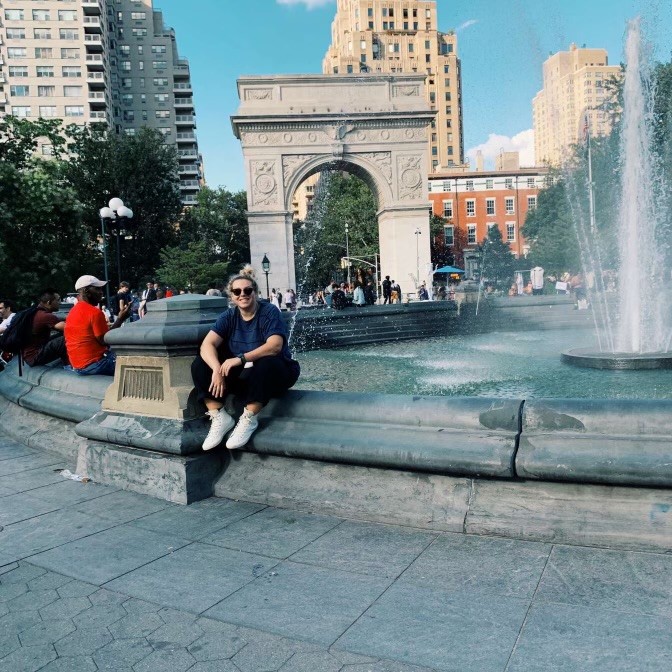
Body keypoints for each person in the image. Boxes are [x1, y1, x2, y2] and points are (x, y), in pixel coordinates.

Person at [191, 265, 300, 451]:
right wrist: (217, 369)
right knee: (200, 364)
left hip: (276, 373)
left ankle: (249, 417)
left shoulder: (269, 312)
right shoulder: (229, 316)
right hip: (247, 375)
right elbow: (207, 345)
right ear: (231, 296)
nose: (243, 294)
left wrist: (239, 358)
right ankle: (218, 415)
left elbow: (274, 346)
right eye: (237, 291)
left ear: (255, 293)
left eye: (248, 290)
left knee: (266, 363)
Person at [65, 275, 130, 376]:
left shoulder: (72, 311)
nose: (101, 292)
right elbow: (106, 340)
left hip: (77, 365)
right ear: (86, 291)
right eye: (97, 289)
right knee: (133, 362)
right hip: (94, 364)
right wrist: (120, 319)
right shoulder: (94, 312)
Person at [22, 290, 69, 368]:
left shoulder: (35, 312)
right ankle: (69, 367)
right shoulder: (45, 316)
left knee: (61, 335)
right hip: (35, 357)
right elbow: (70, 328)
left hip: (28, 356)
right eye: (58, 300)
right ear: (49, 302)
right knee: (66, 339)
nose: (60, 303)